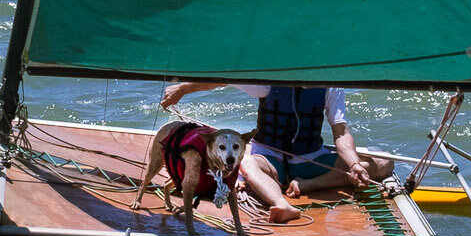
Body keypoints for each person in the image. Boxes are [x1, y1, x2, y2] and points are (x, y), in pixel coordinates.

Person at [158, 81, 398, 223]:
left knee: (384, 162)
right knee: (247, 163)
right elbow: (223, 79)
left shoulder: (329, 86)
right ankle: (281, 204)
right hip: (270, 161)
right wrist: (183, 89)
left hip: (312, 159)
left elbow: (341, 133)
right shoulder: (268, 82)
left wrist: (354, 164)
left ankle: (306, 185)